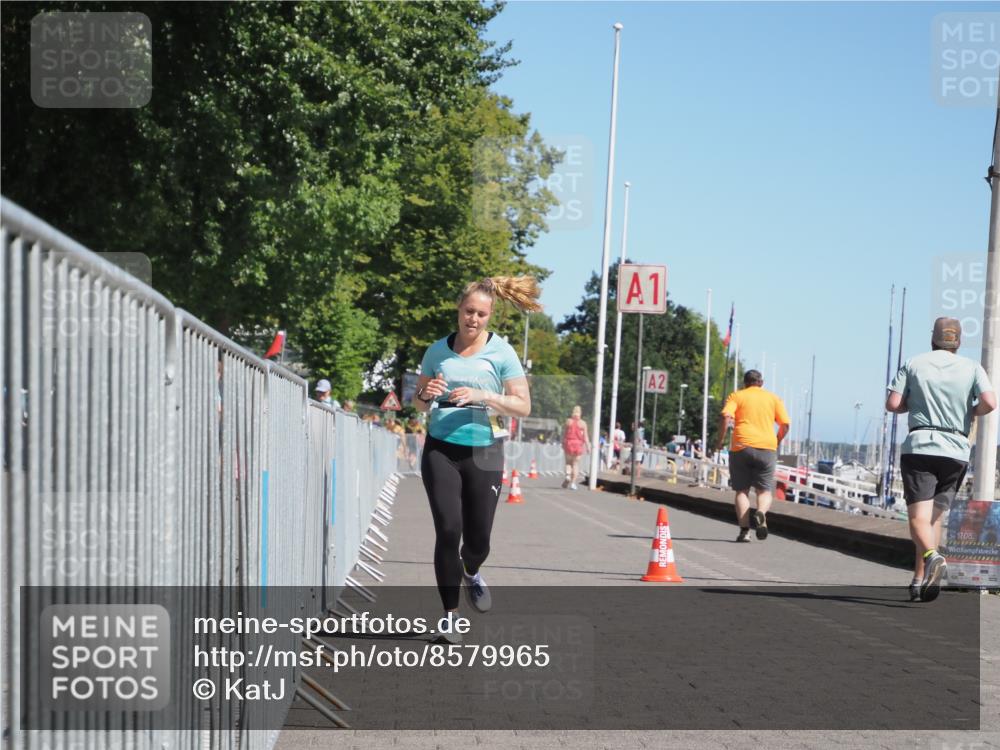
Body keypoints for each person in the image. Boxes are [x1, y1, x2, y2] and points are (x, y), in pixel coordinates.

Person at [412, 276, 540, 642]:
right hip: (441, 448)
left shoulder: (502, 353)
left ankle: (471, 571)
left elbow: (524, 406)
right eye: (469, 311)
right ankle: (450, 617)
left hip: (485, 451)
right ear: (459, 309)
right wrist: (427, 393)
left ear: (490, 315)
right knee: (448, 530)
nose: (473, 319)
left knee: (478, 541)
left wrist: (484, 395)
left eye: (481, 314)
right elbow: (418, 403)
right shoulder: (436, 351)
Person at [885, 317, 996, 603]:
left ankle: (933, 556)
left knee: (917, 519)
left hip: (921, 447)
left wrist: (913, 404)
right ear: (958, 341)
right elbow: (990, 402)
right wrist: (971, 411)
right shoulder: (972, 367)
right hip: (956, 451)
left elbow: (893, 404)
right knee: (933, 518)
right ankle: (919, 580)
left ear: (932, 338)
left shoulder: (914, 363)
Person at [716, 370, 790, 543]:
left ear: (745, 383)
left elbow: (725, 416)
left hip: (741, 447)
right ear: (761, 383)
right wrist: (776, 441)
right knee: (764, 491)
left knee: (742, 491)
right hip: (767, 448)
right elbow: (785, 424)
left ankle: (744, 532)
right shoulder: (774, 398)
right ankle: (761, 513)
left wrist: (719, 441)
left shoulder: (737, 396)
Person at [561, 405, 589, 489]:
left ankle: (568, 475)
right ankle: (573, 483)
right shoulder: (583, 423)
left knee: (568, 463)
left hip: (569, 443)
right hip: (578, 445)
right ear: (581, 413)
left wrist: (562, 443)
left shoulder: (568, 421)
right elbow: (585, 436)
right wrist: (588, 446)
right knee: (575, 464)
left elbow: (564, 434)